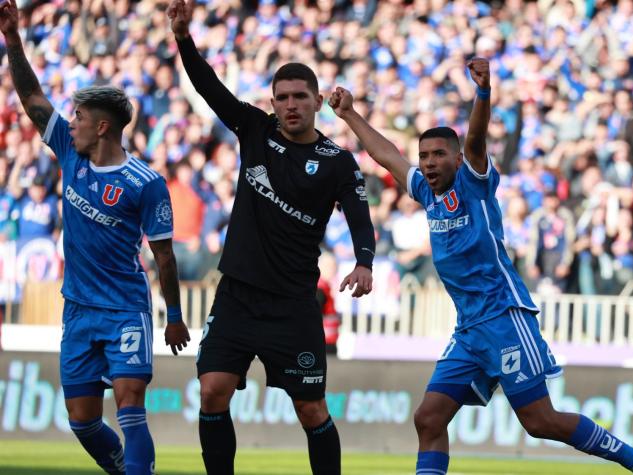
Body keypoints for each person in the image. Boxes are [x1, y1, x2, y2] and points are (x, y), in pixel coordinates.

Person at [330, 58, 633, 475]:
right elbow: (385, 155)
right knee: (428, 418)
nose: (429, 163)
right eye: (425, 156)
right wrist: (348, 115)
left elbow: (475, 136)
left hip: (505, 316)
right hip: (469, 329)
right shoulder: (426, 192)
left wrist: (483, 92)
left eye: (438, 155)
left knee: (540, 421)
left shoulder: (474, 181)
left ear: (456, 158)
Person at [167, 1, 376, 474]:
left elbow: (361, 219)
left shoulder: (338, 161)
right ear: (272, 102)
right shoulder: (254, 129)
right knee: (213, 389)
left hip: (293, 302)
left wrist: (364, 261)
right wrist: (183, 37)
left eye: (300, 96)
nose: (290, 105)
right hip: (238, 293)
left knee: (312, 411)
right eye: (282, 97)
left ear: (318, 102)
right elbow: (208, 87)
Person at [0, 1, 191, 474]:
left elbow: (164, 255)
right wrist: (13, 40)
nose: (71, 122)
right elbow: (32, 98)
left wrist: (175, 316)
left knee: (130, 406)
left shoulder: (145, 183)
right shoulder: (70, 151)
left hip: (126, 307)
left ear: (101, 125)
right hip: (79, 310)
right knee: (82, 422)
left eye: (79, 116)